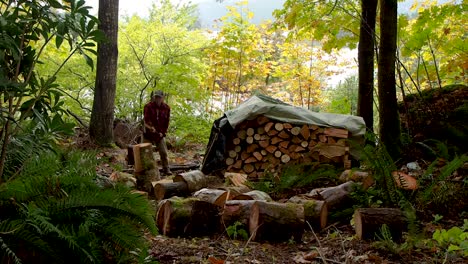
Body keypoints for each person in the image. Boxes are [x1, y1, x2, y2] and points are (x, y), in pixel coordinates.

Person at [143, 90, 171, 175]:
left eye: (159, 97)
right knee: (145, 153)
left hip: (159, 134)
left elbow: (166, 122)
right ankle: (145, 171)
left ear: (163, 98)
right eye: (156, 97)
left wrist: (162, 132)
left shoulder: (167, 108)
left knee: (163, 152)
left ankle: (166, 169)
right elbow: (146, 120)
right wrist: (151, 128)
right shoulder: (148, 106)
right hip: (148, 134)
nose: (157, 99)